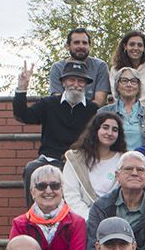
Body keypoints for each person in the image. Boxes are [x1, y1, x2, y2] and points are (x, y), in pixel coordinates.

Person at [13, 59, 96, 196]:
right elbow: (23, 116)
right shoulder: (48, 104)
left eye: (81, 81)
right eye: (71, 80)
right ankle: (34, 216)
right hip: (48, 160)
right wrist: (22, 89)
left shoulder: (92, 110)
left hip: (79, 162)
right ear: (63, 82)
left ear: (86, 84)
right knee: (31, 169)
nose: (76, 85)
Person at [10, 165, 87, 250]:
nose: (49, 191)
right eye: (41, 186)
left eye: (55, 185)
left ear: (62, 190)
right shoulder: (20, 224)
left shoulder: (77, 223)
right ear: (32, 192)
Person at [63, 109, 128, 218]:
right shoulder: (75, 159)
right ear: (95, 129)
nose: (110, 133)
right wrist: (90, 219)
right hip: (82, 219)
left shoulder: (124, 160)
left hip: (115, 220)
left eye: (115, 130)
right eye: (105, 127)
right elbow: (71, 195)